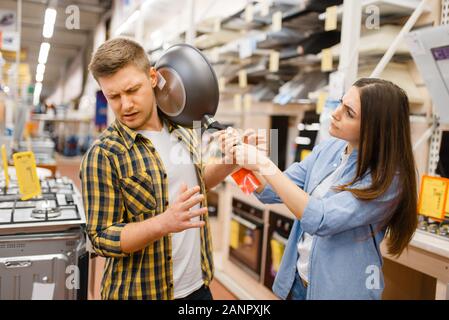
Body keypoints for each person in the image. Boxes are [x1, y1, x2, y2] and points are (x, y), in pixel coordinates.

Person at [81, 38, 252, 300]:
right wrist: (163, 223)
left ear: (153, 77)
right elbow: (101, 238)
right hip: (142, 293)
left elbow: (197, 183)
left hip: (198, 287)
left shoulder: (182, 128)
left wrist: (233, 159)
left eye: (132, 90)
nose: (125, 105)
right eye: (113, 96)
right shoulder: (104, 154)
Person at [230, 78, 418, 300]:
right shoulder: (329, 148)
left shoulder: (387, 179)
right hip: (297, 282)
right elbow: (271, 191)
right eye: (340, 103)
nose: (336, 113)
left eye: (349, 113)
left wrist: (264, 164)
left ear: (375, 127)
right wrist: (240, 155)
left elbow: (320, 219)